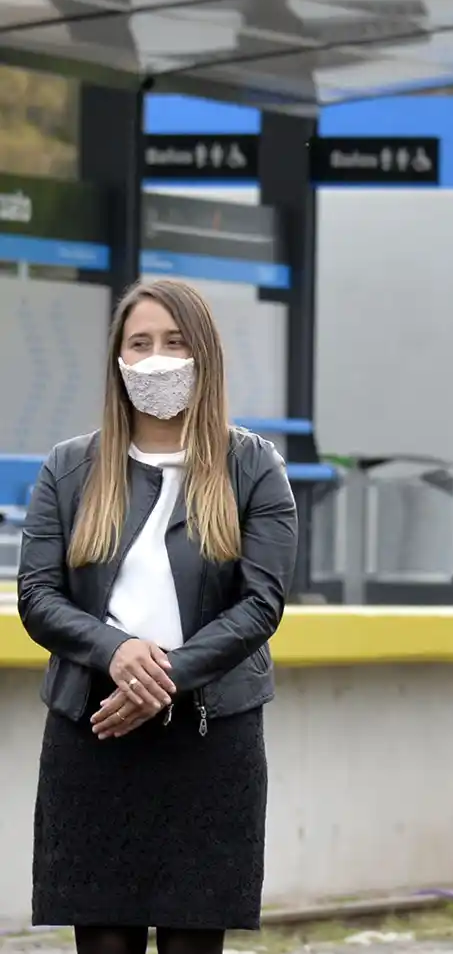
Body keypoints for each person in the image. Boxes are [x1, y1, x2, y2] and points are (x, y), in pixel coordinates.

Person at [17, 278, 298, 954]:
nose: (157, 358)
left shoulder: (253, 467)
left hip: (209, 739)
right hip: (95, 733)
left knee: (190, 944)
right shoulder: (70, 467)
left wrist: (163, 676)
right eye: (139, 344)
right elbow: (38, 594)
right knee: (105, 943)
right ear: (118, 360)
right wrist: (115, 653)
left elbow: (261, 603)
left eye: (175, 342)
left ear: (205, 355)